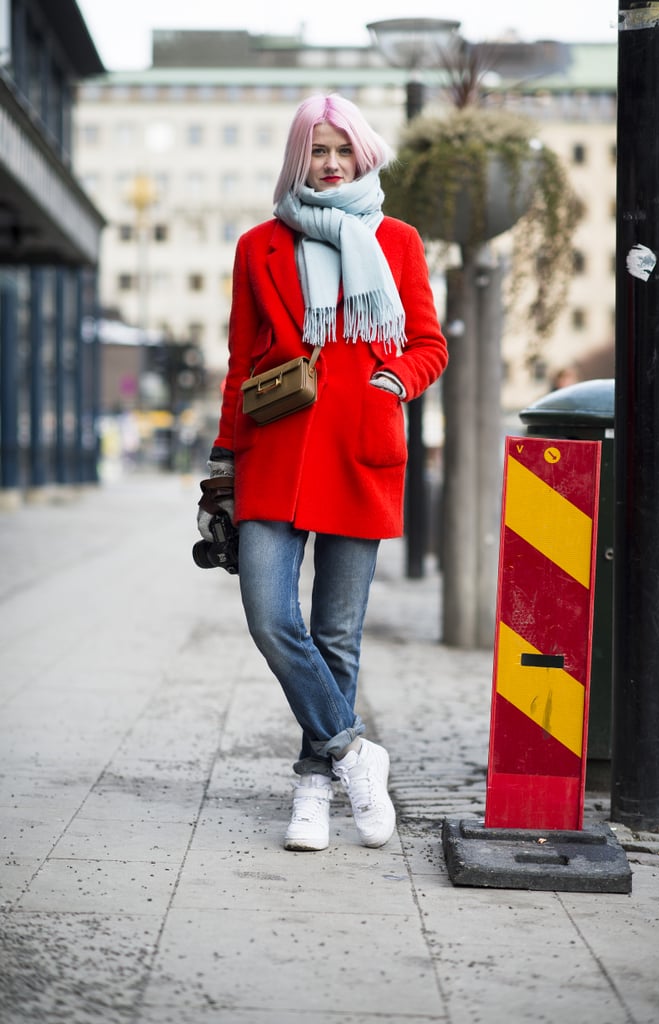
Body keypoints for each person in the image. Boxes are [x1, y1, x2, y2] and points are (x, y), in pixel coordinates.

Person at [197, 93, 448, 852]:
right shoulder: (258, 246)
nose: (330, 162)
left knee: (338, 634)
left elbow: (428, 346)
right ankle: (352, 751)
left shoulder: (398, 241)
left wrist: (391, 383)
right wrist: (223, 462)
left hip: (360, 452)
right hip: (273, 454)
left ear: (361, 154)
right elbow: (242, 360)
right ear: (298, 157)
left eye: (341, 149)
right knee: (271, 617)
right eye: (317, 150)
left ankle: (313, 784)